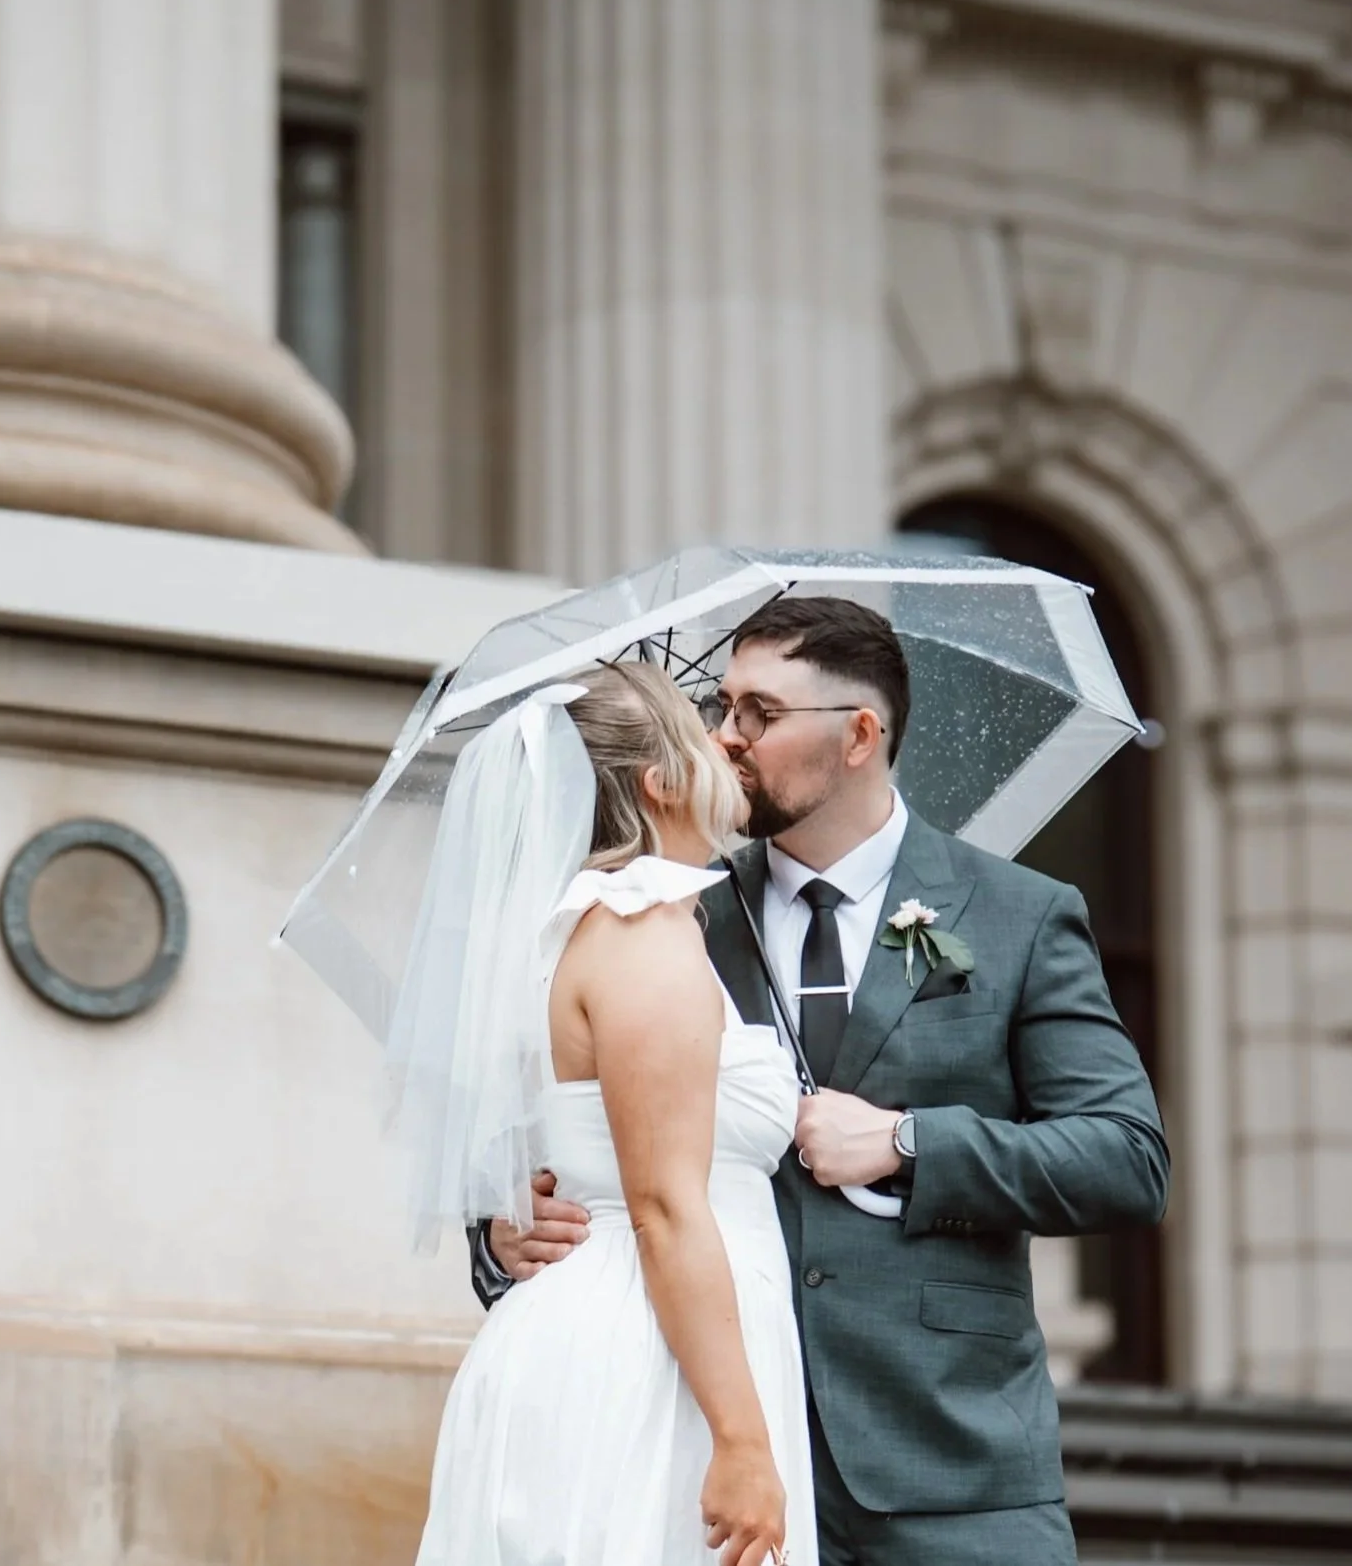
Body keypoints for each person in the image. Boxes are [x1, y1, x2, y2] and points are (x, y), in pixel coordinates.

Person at [477, 598, 1170, 1566]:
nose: (725, 735)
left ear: (857, 734)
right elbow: (571, 1139)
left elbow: (1124, 1157)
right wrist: (510, 1231)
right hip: (691, 1444)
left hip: (943, 1460)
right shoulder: (666, 910)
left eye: (759, 712)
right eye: (719, 706)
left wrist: (907, 1141)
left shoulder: (1020, 911)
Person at [400, 661, 813, 1566]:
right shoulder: (639, 930)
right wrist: (742, 1441)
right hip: (649, 1359)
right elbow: (666, 1206)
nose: (728, 742)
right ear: (660, 782)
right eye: (705, 728)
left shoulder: (582, 927)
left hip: (647, 1330)